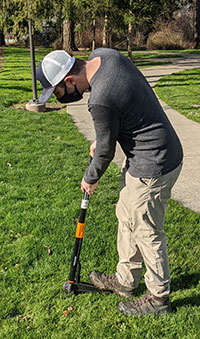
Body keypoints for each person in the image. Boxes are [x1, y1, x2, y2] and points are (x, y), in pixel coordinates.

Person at [36, 48, 183, 316]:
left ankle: (159, 299)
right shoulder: (106, 56)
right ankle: (126, 280)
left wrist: (90, 178)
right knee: (126, 214)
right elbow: (121, 111)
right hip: (146, 156)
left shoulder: (100, 98)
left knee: (146, 230)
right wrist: (105, 136)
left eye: (58, 93)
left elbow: (105, 152)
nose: (61, 98)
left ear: (69, 80)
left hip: (154, 163)